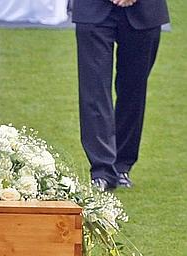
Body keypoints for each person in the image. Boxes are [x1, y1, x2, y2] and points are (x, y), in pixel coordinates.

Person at [72, 0, 169, 191]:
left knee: (133, 91)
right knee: (94, 90)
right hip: (92, 8)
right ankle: (101, 171)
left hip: (145, 10)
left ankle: (122, 166)